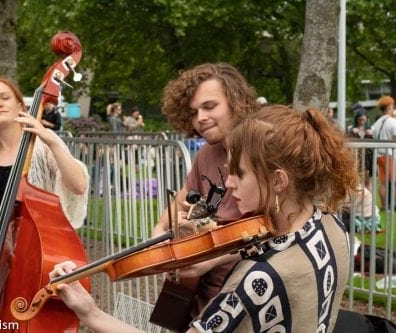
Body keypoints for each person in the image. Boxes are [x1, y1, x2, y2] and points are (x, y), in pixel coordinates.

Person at [52, 105, 357, 333]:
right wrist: (212, 258)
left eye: (239, 173)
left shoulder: (255, 281)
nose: (229, 184)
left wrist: (92, 314)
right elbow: (277, 243)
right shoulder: (331, 226)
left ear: (279, 180)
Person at [0, 76, 90, 325]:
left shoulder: (43, 148)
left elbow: (78, 185)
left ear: (20, 106)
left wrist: (52, 139)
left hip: (41, 255)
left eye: (5, 97)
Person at [151, 62, 259, 320]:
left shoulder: (261, 152)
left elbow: (274, 228)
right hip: (202, 296)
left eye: (209, 107)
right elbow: (176, 207)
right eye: (194, 112)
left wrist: (211, 260)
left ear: (236, 101)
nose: (200, 118)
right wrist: (160, 234)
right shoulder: (206, 154)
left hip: (247, 294)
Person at [371, 95, 396, 210]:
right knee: (393, 181)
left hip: (379, 154)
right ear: (389, 107)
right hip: (389, 154)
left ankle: (384, 205)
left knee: (383, 182)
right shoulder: (392, 121)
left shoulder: (377, 123)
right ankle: (392, 205)